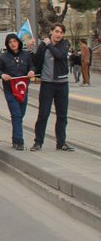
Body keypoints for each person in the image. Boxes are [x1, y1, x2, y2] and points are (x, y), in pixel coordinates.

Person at [32, 23, 73, 152]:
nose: (58, 34)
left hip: (62, 84)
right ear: (51, 32)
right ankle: (38, 142)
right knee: (43, 114)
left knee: (62, 115)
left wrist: (49, 44)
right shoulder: (43, 46)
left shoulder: (65, 44)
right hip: (47, 84)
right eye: (56, 31)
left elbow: (59, 55)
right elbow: (36, 61)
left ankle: (61, 142)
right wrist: (31, 48)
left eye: (61, 32)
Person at [0, 34, 35, 151]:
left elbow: (32, 66)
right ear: (7, 44)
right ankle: (19, 141)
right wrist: (2, 75)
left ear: (18, 42)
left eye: (14, 41)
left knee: (20, 115)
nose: (13, 44)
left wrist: (32, 71)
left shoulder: (26, 55)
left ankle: (15, 137)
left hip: (23, 89)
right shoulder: (3, 57)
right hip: (10, 89)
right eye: (10, 42)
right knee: (16, 114)